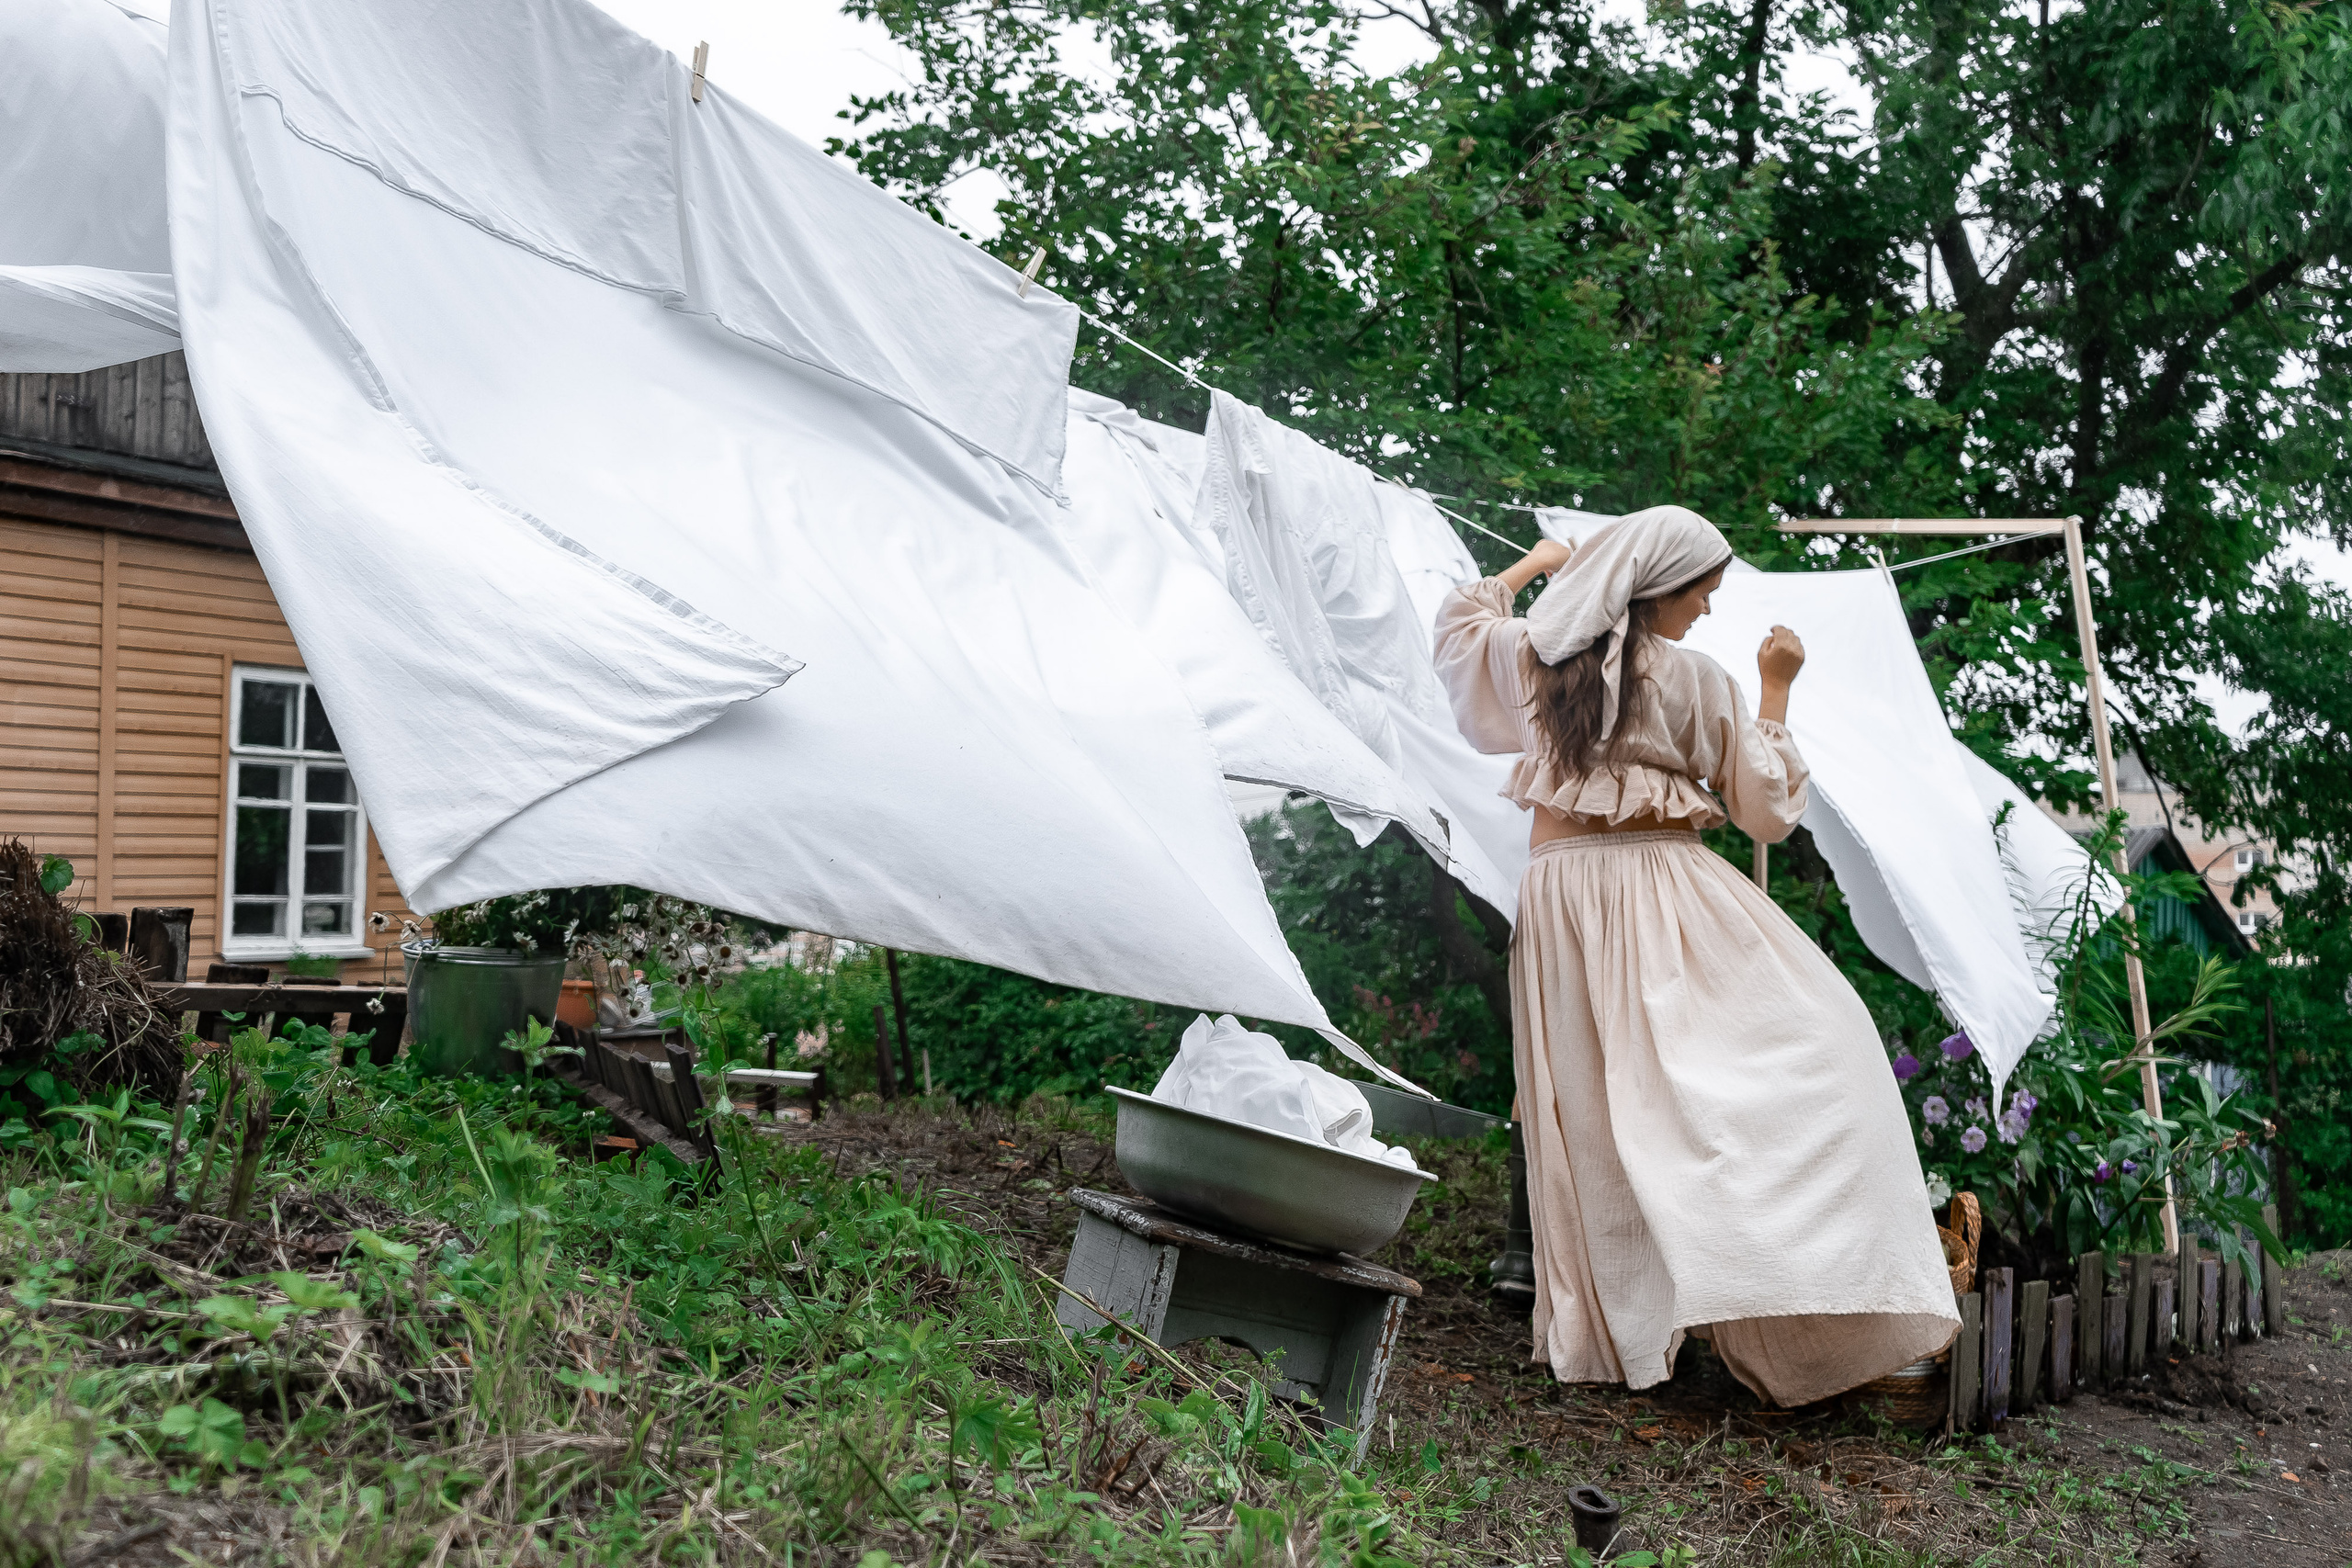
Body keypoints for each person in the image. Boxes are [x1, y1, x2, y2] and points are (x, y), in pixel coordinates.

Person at [1432, 504, 1957, 1406]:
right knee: (1650, 1094)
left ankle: (1708, 1297)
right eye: (1702, 592)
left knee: (1614, 1102)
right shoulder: (1680, 677)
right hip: (1653, 888)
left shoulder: (1536, 657)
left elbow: (1457, 625)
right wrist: (1777, 688)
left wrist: (1534, 563)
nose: (1710, 609)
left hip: (1583, 894)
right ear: (1655, 587)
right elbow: (1764, 811)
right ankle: (1655, 1315)